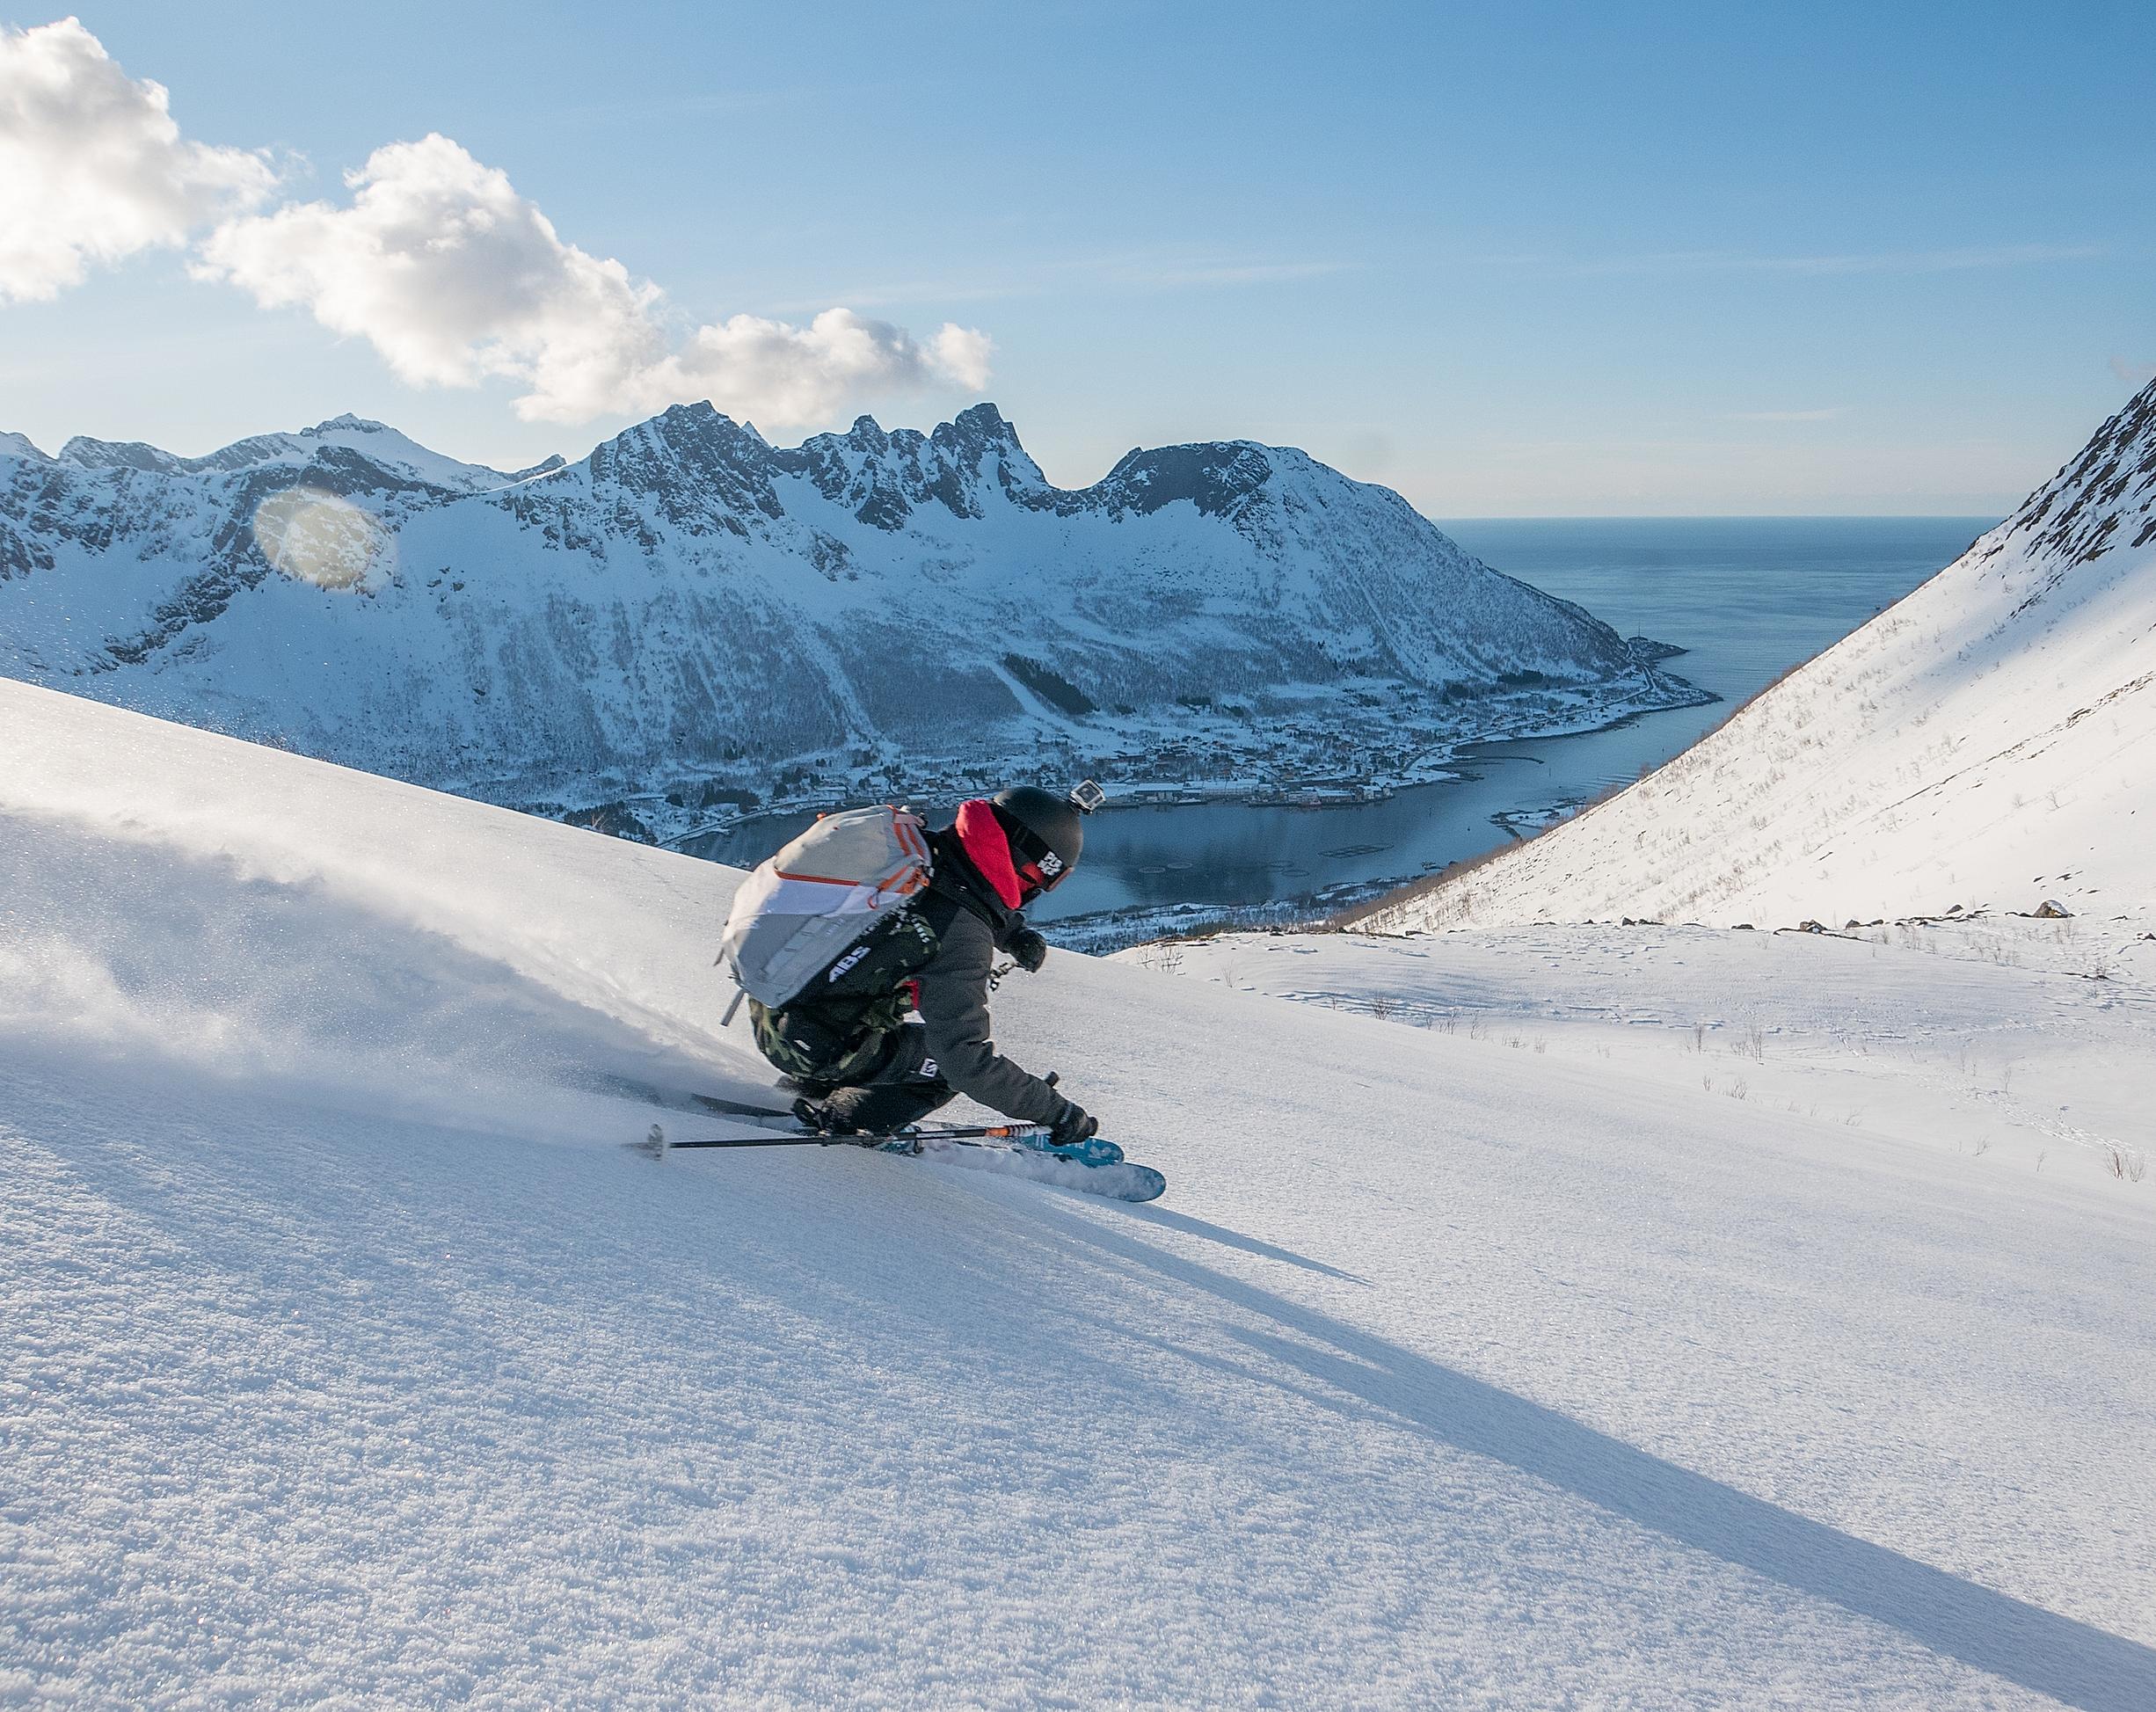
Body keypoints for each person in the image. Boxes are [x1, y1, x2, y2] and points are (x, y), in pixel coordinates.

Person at [747, 785, 1102, 1146]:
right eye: (1039, 878)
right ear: (1017, 857)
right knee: (944, 1069)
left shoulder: (921, 851)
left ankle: (802, 1093)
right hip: (810, 1045)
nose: (1034, 892)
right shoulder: (963, 937)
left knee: (874, 1018)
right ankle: (841, 1122)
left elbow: (953, 890)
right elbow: (967, 1064)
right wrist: (1056, 1111)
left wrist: (1012, 933)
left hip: (772, 1000)